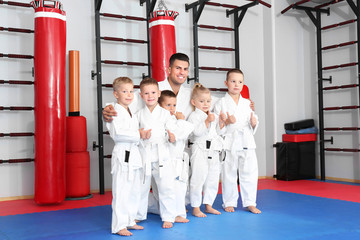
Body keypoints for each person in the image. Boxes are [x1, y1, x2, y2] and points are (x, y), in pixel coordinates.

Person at [214, 69, 261, 214]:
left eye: (240, 82)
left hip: (247, 141)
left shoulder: (247, 103)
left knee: (250, 173)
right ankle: (229, 202)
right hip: (229, 142)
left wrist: (254, 123)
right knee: (229, 173)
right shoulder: (220, 103)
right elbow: (216, 128)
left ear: (243, 84)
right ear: (226, 83)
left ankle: (250, 202)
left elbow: (254, 121)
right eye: (233, 81)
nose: (236, 84)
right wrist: (226, 122)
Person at [135, 78, 178, 229]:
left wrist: (172, 137)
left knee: (166, 186)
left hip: (162, 154)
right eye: (146, 93)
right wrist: (140, 135)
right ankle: (139, 215)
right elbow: (135, 132)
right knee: (142, 187)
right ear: (141, 95)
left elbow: (173, 130)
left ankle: (168, 216)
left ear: (159, 93)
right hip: (144, 154)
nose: (150, 96)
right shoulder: (138, 114)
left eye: (153, 92)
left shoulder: (166, 114)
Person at [105, 77, 144, 236]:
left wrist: (141, 134)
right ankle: (119, 225)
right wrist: (139, 134)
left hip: (134, 153)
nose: (129, 94)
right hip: (123, 153)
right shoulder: (113, 110)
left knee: (134, 190)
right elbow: (118, 134)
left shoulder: (131, 113)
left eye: (130, 91)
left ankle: (130, 220)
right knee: (121, 191)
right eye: (124, 91)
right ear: (115, 94)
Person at [152, 90, 194, 223]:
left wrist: (181, 121)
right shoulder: (162, 120)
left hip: (178, 160)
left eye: (174, 105)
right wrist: (181, 123)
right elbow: (176, 135)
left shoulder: (175, 120)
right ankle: (169, 215)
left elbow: (186, 131)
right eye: (168, 105)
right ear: (160, 105)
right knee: (168, 189)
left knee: (181, 188)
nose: (172, 109)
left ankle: (179, 213)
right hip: (166, 160)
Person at [187, 83, 225, 218]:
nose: (205, 104)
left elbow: (219, 132)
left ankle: (208, 205)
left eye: (208, 101)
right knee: (198, 178)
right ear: (194, 102)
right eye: (201, 101)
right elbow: (196, 132)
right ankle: (196, 207)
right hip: (200, 149)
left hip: (213, 150)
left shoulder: (212, 115)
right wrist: (207, 122)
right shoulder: (193, 116)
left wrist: (221, 123)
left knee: (213, 178)